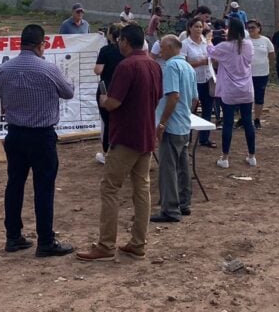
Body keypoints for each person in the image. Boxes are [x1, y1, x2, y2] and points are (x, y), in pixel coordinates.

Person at [77, 23, 162, 262]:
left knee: (111, 188)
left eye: (120, 41)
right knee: (141, 189)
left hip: (125, 136)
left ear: (125, 41)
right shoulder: (154, 65)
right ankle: (138, 243)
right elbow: (158, 96)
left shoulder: (127, 66)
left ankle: (105, 245)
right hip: (145, 134)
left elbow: (114, 102)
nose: (118, 44)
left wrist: (103, 99)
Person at [0, 24, 75, 257]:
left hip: (15, 134)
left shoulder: (5, 69)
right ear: (41, 45)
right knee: (44, 187)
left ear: (21, 43)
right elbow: (68, 93)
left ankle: (13, 237)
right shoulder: (48, 69)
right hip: (42, 136)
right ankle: (45, 240)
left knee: (14, 184)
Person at [149, 35, 198, 223]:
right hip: (184, 123)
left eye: (162, 47)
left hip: (172, 125)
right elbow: (194, 98)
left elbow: (173, 95)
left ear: (170, 48)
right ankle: (184, 203)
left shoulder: (171, 66)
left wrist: (162, 123)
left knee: (168, 168)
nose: (160, 51)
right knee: (183, 164)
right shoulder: (188, 67)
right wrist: (186, 114)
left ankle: (170, 209)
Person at [208, 18, 255, 168]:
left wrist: (209, 39)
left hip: (229, 90)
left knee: (228, 122)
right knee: (248, 122)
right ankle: (252, 156)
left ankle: (225, 157)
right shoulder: (248, 45)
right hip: (246, 89)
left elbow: (211, 52)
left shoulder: (225, 46)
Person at [181, 16, 216, 147]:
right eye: (196, 26)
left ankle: (204, 138)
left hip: (207, 78)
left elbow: (214, 56)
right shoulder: (185, 44)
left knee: (207, 109)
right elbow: (184, 63)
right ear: (190, 28)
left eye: (200, 27)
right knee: (190, 109)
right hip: (193, 81)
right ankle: (186, 138)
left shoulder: (206, 42)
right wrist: (201, 62)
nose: (198, 29)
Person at [93, 23, 124, 164]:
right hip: (123, 90)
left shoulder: (105, 50)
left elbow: (98, 70)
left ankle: (107, 154)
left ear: (110, 34)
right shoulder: (125, 50)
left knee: (108, 122)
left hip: (106, 89)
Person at [245, 20, 274, 127]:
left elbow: (271, 54)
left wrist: (268, 66)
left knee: (259, 96)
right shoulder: (245, 40)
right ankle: (245, 117)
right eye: (249, 28)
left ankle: (257, 118)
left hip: (262, 73)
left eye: (253, 27)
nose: (251, 30)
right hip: (247, 74)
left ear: (259, 28)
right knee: (246, 96)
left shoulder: (265, 40)